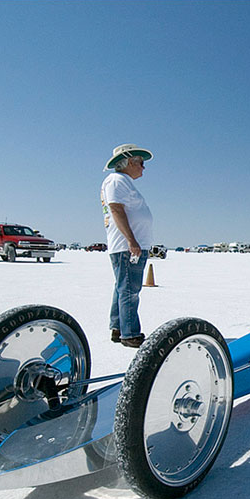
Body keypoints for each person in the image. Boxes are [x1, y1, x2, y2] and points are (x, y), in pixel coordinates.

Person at [100, 143, 154, 347]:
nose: (143, 167)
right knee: (130, 290)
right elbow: (116, 210)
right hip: (127, 246)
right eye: (140, 163)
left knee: (123, 288)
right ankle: (130, 334)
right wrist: (131, 240)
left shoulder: (122, 181)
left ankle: (118, 328)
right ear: (130, 161)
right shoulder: (116, 180)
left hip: (128, 246)